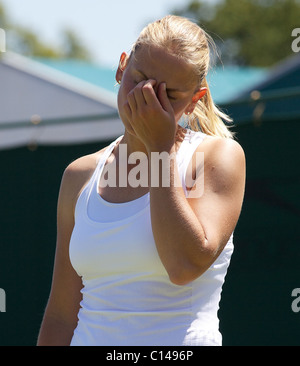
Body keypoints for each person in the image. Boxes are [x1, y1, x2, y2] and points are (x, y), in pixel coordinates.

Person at [37, 15, 245, 346]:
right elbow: (61, 314)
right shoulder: (79, 176)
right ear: (121, 67)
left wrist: (159, 150)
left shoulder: (219, 157)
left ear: (195, 99)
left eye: (169, 94)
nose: (146, 98)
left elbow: (183, 266)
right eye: (140, 79)